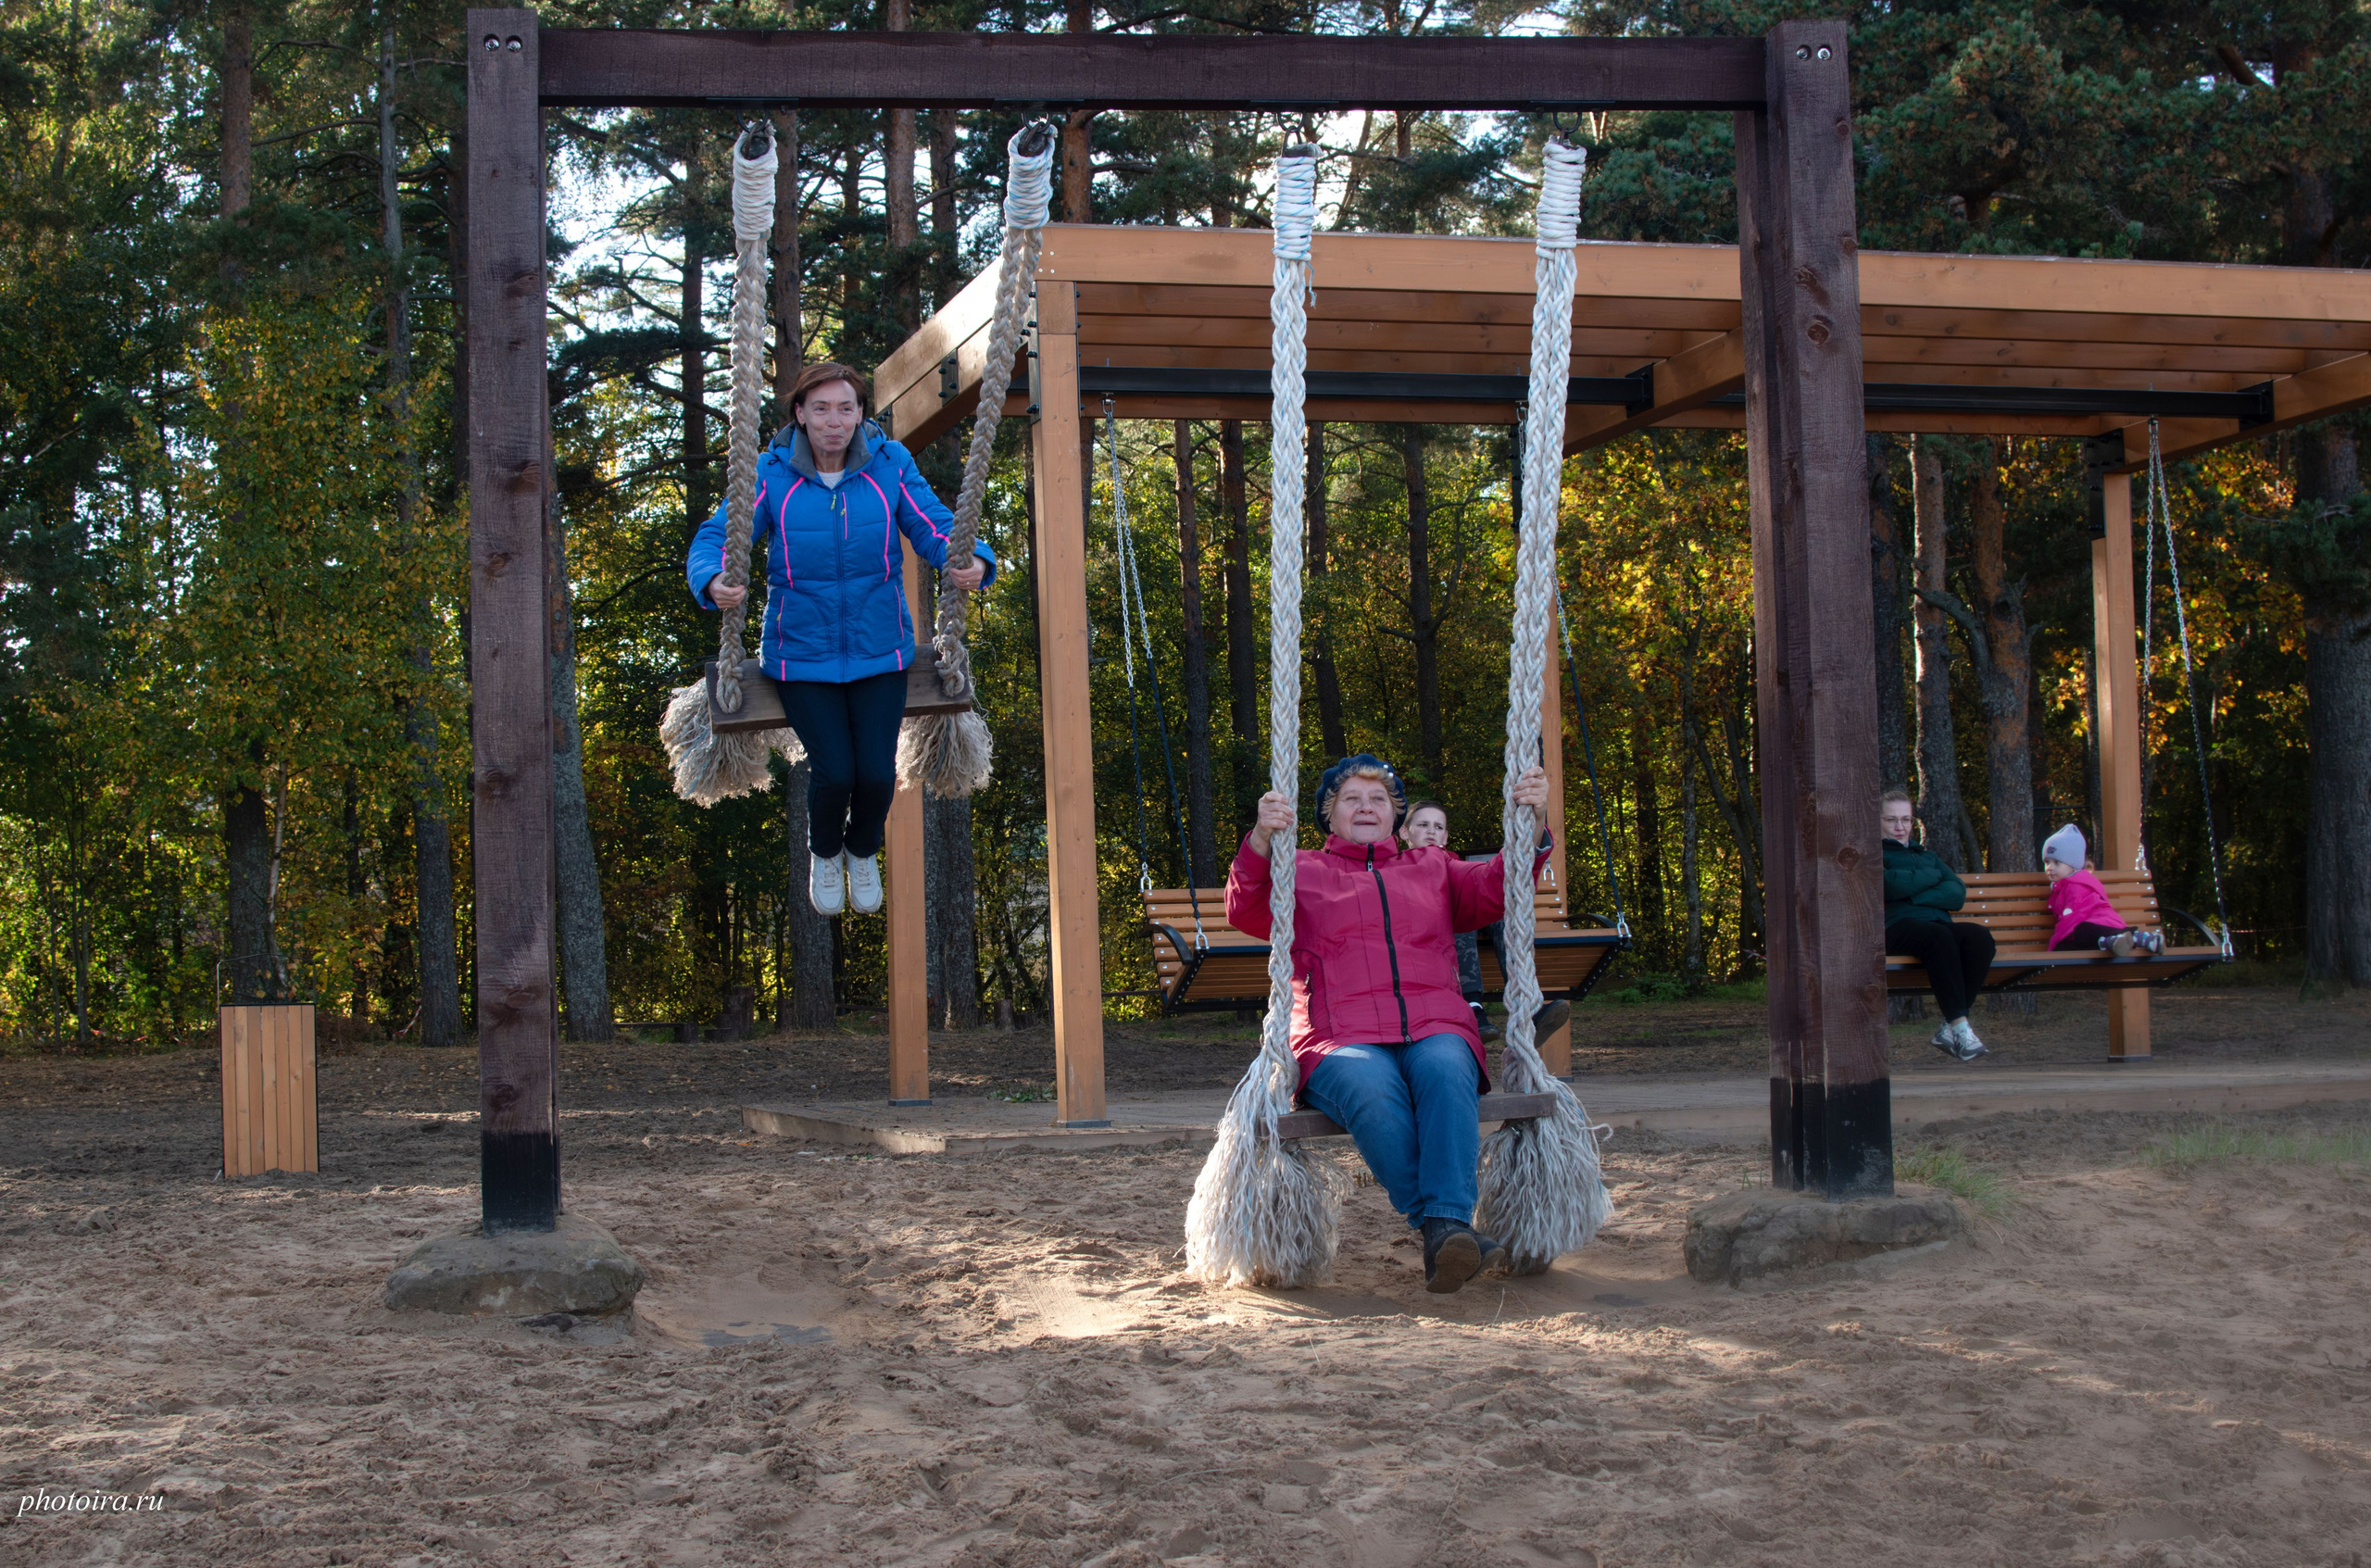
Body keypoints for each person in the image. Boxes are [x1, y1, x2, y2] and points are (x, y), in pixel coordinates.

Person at [1230, 753, 1552, 1296]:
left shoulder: (1433, 867)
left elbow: (1500, 887)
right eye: (1350, 799)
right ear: (1328, 814)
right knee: (1369, 1086)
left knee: (1449, 1067)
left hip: (1434, 1022)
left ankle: (1442, 1229)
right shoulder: (1300, 870)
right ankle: (1443, 1226)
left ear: (1395, 817)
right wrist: (1263, 837)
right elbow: (1245, 908)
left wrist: (1534, 822)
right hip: (1338, 1034)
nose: (1365, 807)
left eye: (1378, 800)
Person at [687, 363, 995, 918]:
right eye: (822, 409)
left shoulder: (888, 466)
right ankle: (825, 852)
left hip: (880, 650)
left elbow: (933, 522)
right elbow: (717, 535)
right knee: (835, 772)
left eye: (846, 408)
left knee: (877, 775)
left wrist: (971, 559)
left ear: (859, 415)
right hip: (801, 655)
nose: (835, 421)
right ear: (800, 415)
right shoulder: (771, 474)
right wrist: (712, 577)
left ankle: (860, 851)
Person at [1399, 799, 1569, 1047]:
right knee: (1453, 918)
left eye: (1438, 827)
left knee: (1501, 915)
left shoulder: (1453, 863)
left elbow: (1482, 884)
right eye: (1423, 825)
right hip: (1435, 939)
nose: (1431, 831)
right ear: (1405, 832)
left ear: (1445, 835)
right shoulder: (1398, 867)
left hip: (1473, 928)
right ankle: (1474, 1008)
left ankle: (1528, 1007)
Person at [1880, 790, 1993, 1063]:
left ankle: (1949, 1027)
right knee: (1939, 936)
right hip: (1896, 927)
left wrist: (1914, 892)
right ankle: (1960, 1028)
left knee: (1980, 937)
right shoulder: (1873, 854)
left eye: (1906, 820)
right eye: (1892, 820)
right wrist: (1932, 880)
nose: (1900, 827)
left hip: (1936, 925)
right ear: (1878, 821)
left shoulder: (1926, 856)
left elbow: (1957, 894)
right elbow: (1889, 885)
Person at [2041, 824, 2164, 956]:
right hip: (2097, 931)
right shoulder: (2063, 887)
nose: (2049, 867)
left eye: (2056, 862)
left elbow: (2074, 917)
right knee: (2065, 946)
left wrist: (2056, 940)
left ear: (2073, 866)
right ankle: (2113, 942)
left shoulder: (2076, 886)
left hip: (2099, 924)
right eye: (2047, 862)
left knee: (2081, 931)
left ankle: (2141, 938)